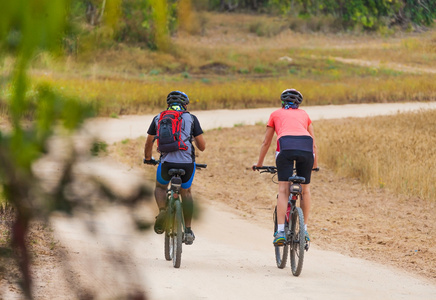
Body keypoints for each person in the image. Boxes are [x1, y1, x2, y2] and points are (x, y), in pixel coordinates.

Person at [253, 88, 318, 246]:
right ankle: (305, 230)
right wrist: (315, 166)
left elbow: (266, 142)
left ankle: (281, 231)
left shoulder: (275, 114)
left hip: (285, 147)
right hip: (306, 148)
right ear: (298, 103)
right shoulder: (304, 115)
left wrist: (259, 164)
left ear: (282, 102)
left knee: (283, 189)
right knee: (305, 189)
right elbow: (314, 144)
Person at [144, 91, 206, 245]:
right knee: (187, 192)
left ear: (168, 104)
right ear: (185, 104)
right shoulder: (191, 118)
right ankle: (189, 230)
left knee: (160, 187)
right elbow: (202, 146)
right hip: (187, 164)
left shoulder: (159, 117)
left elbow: (149, 142)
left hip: (166, 163)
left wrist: (147, 159)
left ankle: (163, 211)